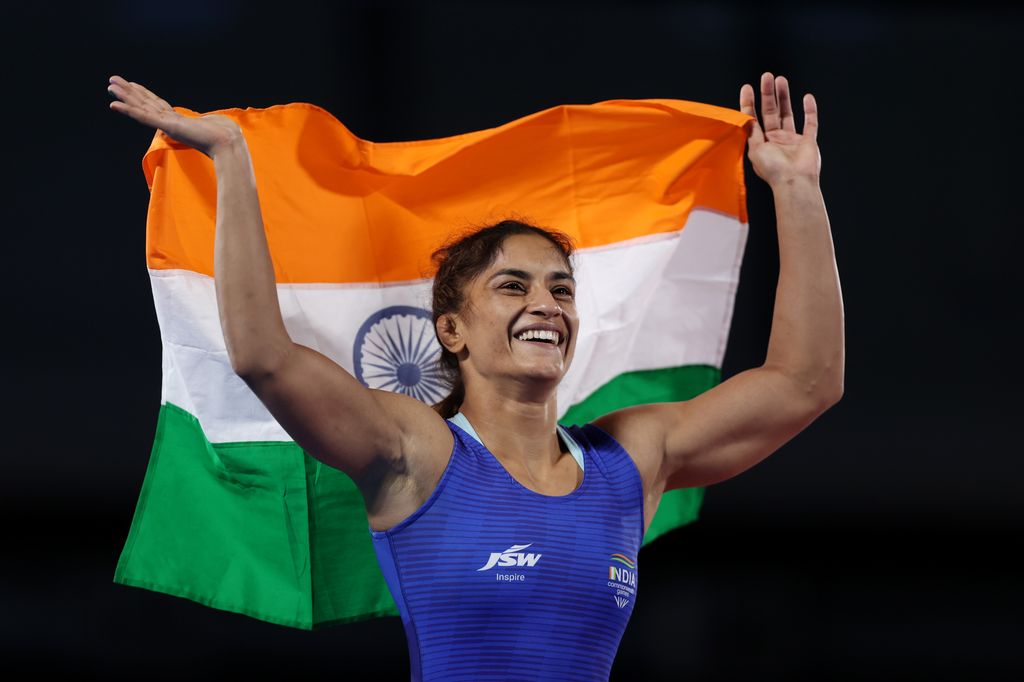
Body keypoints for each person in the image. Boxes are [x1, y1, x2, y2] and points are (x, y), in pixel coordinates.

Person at [108, 72, 843, 681]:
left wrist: (796, 188)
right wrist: (234, 161)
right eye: (513, 286)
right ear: (450, 331)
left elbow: (806, 382)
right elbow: (264, 357)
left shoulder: (631, 459)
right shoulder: (416, 452)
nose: (545, 305)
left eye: (561, 288)